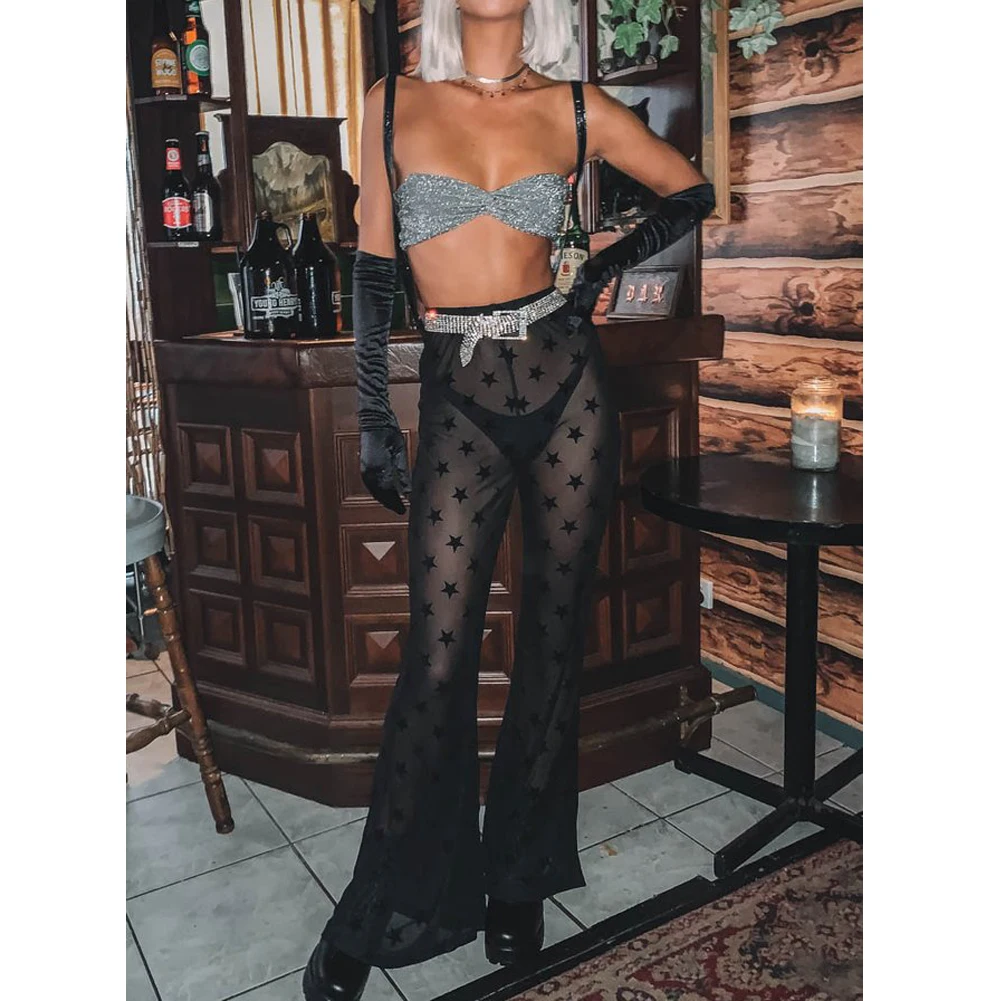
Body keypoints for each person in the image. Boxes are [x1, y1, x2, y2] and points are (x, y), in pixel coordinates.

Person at [302, 2, 714, 998]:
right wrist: (373, 415)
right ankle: (385, 903)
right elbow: (371, 271)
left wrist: (603, 265)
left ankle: (520, 876)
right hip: (461, 397)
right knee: (437, 658)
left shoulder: (574, 106)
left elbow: (690, 191)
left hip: (568, 386)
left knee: (553, 639)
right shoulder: (392, 101)